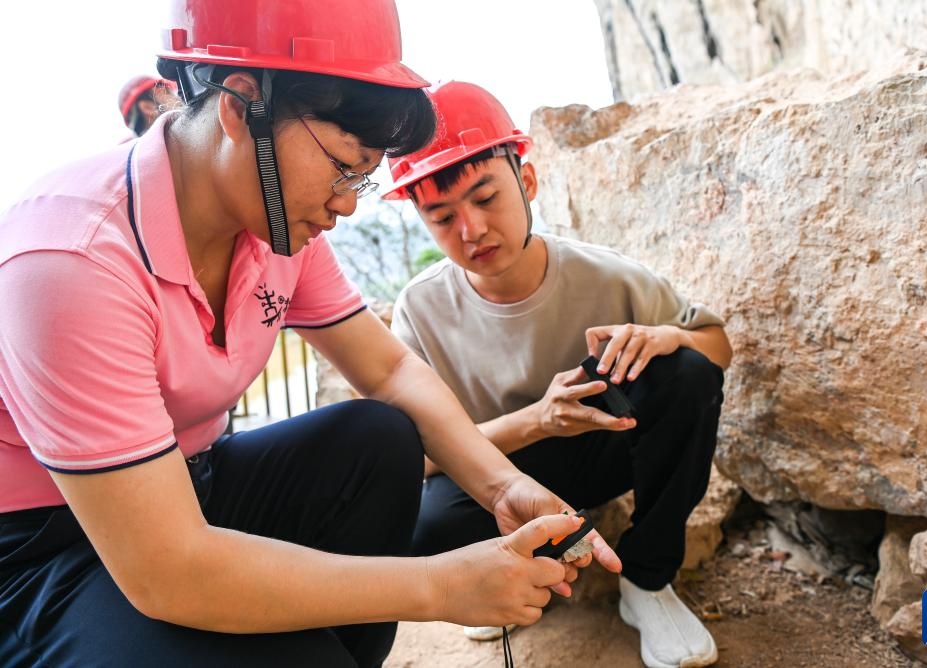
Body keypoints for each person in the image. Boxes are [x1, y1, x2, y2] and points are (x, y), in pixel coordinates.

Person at [0, 5, 620, 666]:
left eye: (364, 177)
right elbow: (167, 569)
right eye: (342, 167)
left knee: (375, 439)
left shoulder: (275, 226)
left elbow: (389, 372)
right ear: (241, 107)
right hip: (44, 548)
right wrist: (442, 586)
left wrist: (504, 488)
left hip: (189, 485)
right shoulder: (72, 260)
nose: (348, 202)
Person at [385, 81, 732, 668]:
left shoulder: (606, 277)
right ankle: (512, 578)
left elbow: (714, 348)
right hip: (489, 475)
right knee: (424, 531)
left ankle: (645, 583)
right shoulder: (419, 312)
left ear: (527, 183)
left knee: (687, 375)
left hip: (598, 457)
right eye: (442, 217)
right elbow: (413, 457)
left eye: (486, 198)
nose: (471, 231)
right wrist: (538, 420)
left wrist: (667, 336)